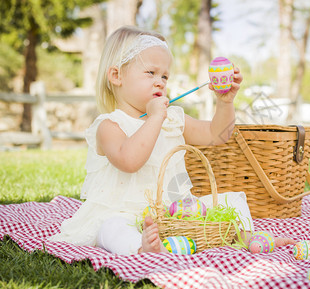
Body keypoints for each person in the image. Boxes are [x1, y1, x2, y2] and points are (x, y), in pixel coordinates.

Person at [49, 26, 295, 255]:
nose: (160, 82)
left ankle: (245, 236)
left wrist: (225, 102)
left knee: (231, 201)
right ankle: (142, 247)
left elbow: (217, 135)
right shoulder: (109, 125)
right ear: (116, 75)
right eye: (150, 73)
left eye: (165, 76)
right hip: (124, 213)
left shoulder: (172, 118)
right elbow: (129, 160)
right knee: (110, 229)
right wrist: (154, 117)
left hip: (174, 212)